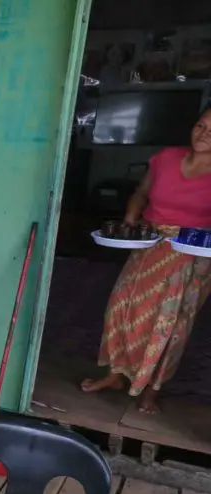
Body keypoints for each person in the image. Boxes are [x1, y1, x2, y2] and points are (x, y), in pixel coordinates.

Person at [81, 107, 211, 414]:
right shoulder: (166, 158)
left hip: (191, 254)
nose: (204, 134)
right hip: (148, 243)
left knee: (169, 324)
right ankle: (115, 375)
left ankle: (152, 388)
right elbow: (141, 192)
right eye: (201, 125)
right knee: (121, 306)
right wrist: (130, 217)